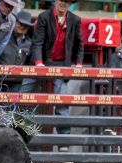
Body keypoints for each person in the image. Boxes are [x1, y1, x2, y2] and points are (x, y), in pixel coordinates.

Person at [32, 0, 83, 147]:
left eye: (66, 1)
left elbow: (80, 44)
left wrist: (78, 64)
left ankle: (63, 142)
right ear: (56, 1)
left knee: (62, 103)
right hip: (42, 62)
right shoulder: (44, 16)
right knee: (25, 95)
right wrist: (38, 63)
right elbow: (38, 42)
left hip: (62, 65)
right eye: (61, 0)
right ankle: (22, 135)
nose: (63, 3)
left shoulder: (75, 19)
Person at [0, 10, 33, 92]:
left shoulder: (29, 43)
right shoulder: (4, 38)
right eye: (20, 23)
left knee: (12, 104)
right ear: (15, 22)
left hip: (16, 82)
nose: (22, 26)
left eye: (25, 25)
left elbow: (29, 63)